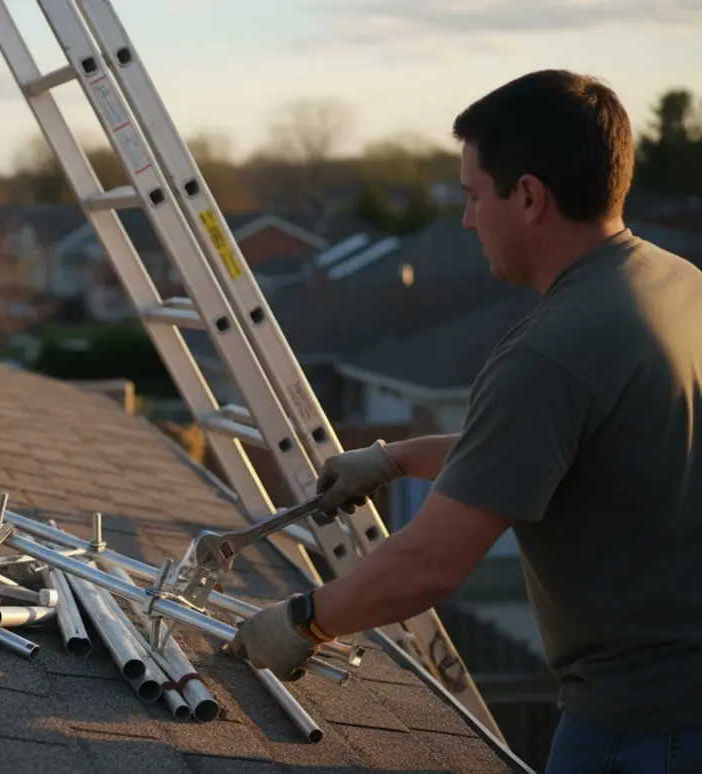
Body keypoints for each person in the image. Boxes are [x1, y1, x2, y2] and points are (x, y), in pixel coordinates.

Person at [229, 69, 702, 773]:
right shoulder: (675, 284)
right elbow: (560, 454)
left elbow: (429, 563)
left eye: (475, 196)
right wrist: (394, 459)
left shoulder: (554, 350)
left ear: (530, 197)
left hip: (640, 731)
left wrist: (306, 621)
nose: (467, 220)